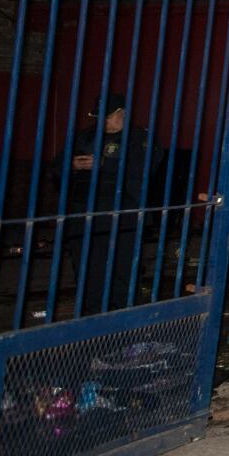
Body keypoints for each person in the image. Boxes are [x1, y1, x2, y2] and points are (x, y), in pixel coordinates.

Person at [63, 96, 151, 310]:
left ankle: (124, 319)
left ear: (123, 113)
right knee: (88, 270)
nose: (103, 122)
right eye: (98, 117)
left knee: (123, 271)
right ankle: (91, 319)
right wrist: (72, 164)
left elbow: (143, 169)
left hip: (122, 214)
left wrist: (105, 164)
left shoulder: (138, 138)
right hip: (85, 213)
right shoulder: (85, 137)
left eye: (108, 117)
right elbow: (58, 164)